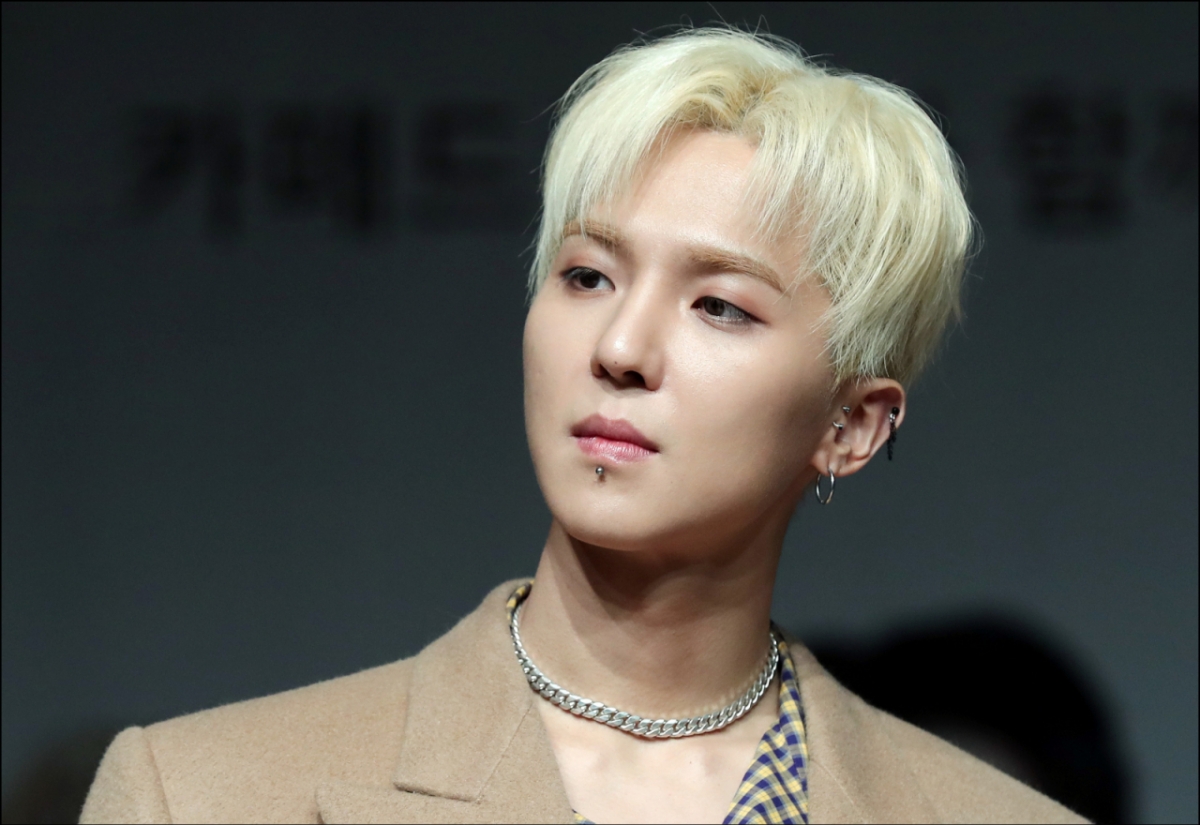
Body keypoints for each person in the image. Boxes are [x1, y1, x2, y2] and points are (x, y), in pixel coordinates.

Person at [81, 27, 1086, 824]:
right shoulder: (197, 795)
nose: (621, 346)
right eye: (588, 276)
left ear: (853, 426)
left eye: (720, 305)